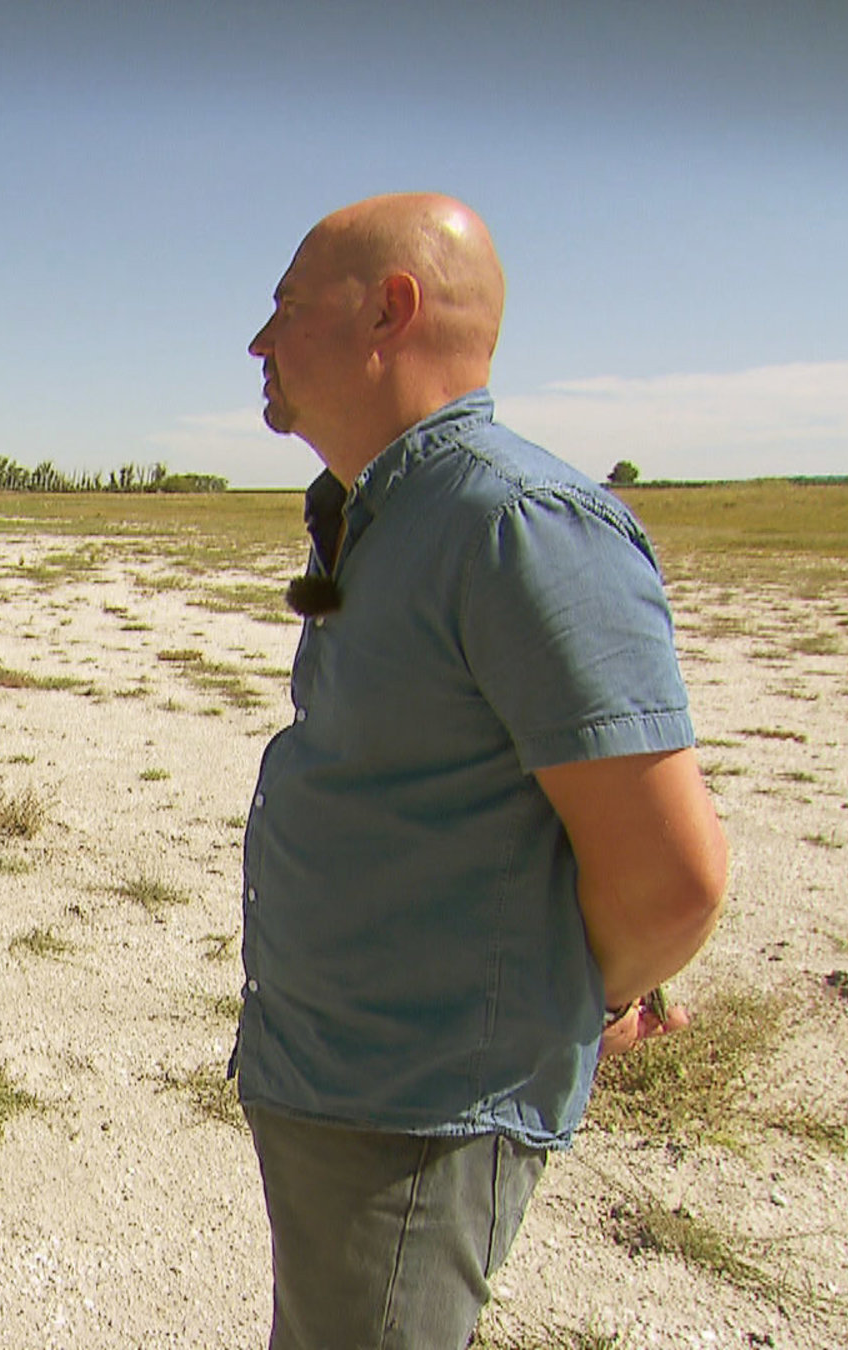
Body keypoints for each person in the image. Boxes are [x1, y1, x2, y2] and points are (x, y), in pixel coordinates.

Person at [234, 192, 729, 1349]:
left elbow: (672, 878)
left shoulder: (519, 527)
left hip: (417, 1110)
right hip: (337, 1085)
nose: (258, 343)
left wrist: (583, 999)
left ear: (388, 311)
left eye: (285, 308)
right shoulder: (384, 514)